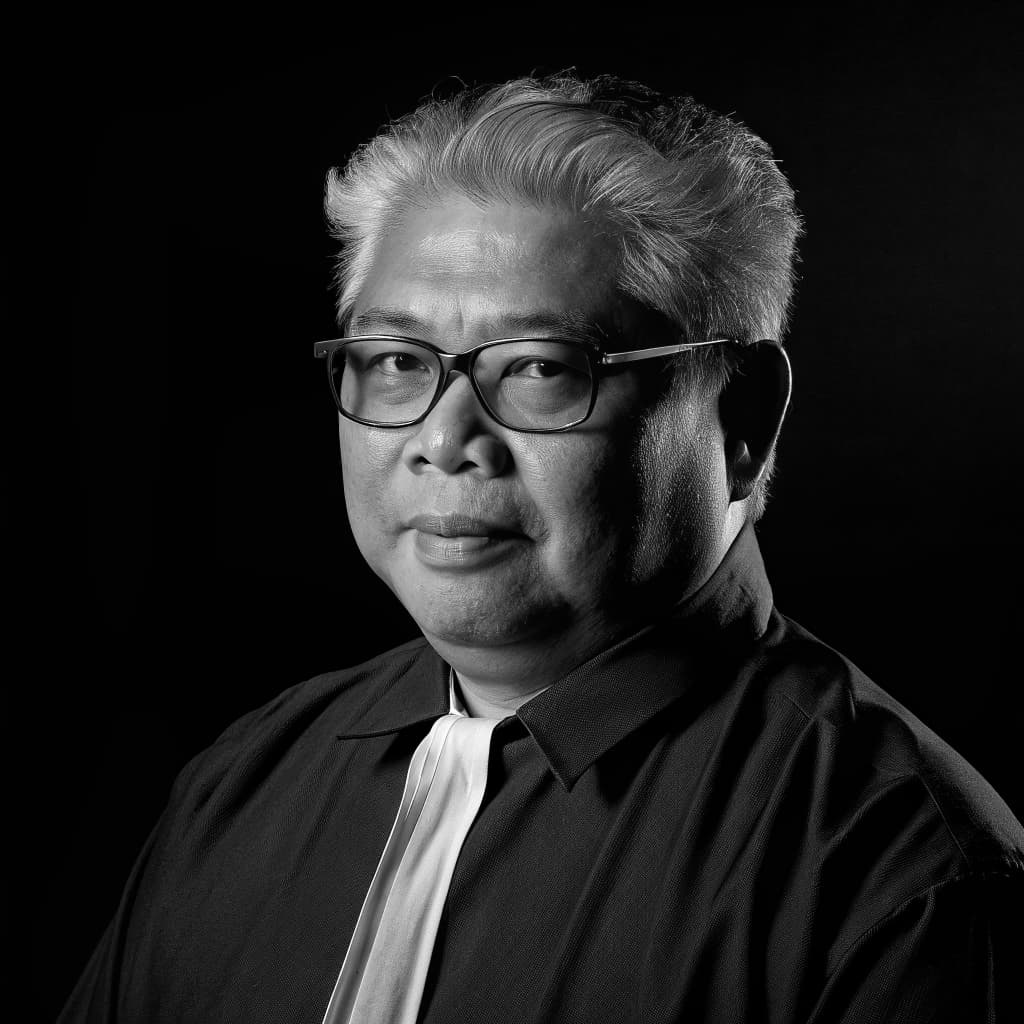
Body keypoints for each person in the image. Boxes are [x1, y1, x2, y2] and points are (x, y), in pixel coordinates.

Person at [60, 73, 1023, 1023]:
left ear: (742, 419)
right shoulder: (240, 785)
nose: (445, 440)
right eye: (397, 361)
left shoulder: (900, 873)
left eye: (538, 367)